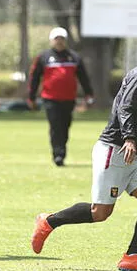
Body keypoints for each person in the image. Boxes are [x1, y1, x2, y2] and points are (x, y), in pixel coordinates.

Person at [31, 41, 137, 271]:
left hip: (132, 156)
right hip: (115, 150)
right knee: (100, 213)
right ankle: (48, 222)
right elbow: (125, 107)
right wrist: (129, 138)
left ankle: (131, 257)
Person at [27, 27, 94, 167]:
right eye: (56, 39)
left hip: (69, 99)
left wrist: (89, 94)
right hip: (50, 98)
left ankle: (61, 150)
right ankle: (58, 154)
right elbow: (34, 78)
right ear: (51, 40)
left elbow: (83, 77)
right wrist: (31, 97)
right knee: (55, 125)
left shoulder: (74, 57)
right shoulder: (44, 57)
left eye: (62, 39)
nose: (59, 42)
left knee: (65, 126)